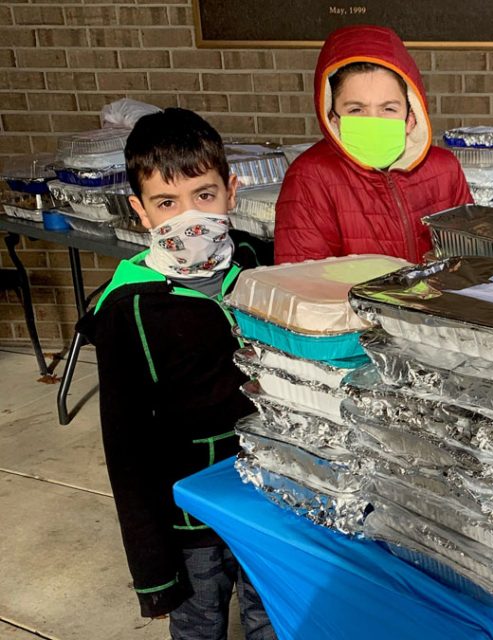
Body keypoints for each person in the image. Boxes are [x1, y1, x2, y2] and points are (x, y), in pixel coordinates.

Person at [76, 108, 276, 640]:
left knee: (271, 618)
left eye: (204, 195)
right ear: (141, 212)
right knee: (199, 625)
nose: (189, 216)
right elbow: (126, 447)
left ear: (232, 191)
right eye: (168, 203)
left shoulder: (261, 266)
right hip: (190, 527)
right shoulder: (129, 309)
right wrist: (154, 576)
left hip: (268, 501)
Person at [274, 25, 473, 265]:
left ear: (411, 117)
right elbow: (303, 287)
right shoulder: (310, 177)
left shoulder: (444, 169)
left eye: (388, 108)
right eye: (356, 110)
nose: (373, 121)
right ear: (333, 119)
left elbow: (470, 262)